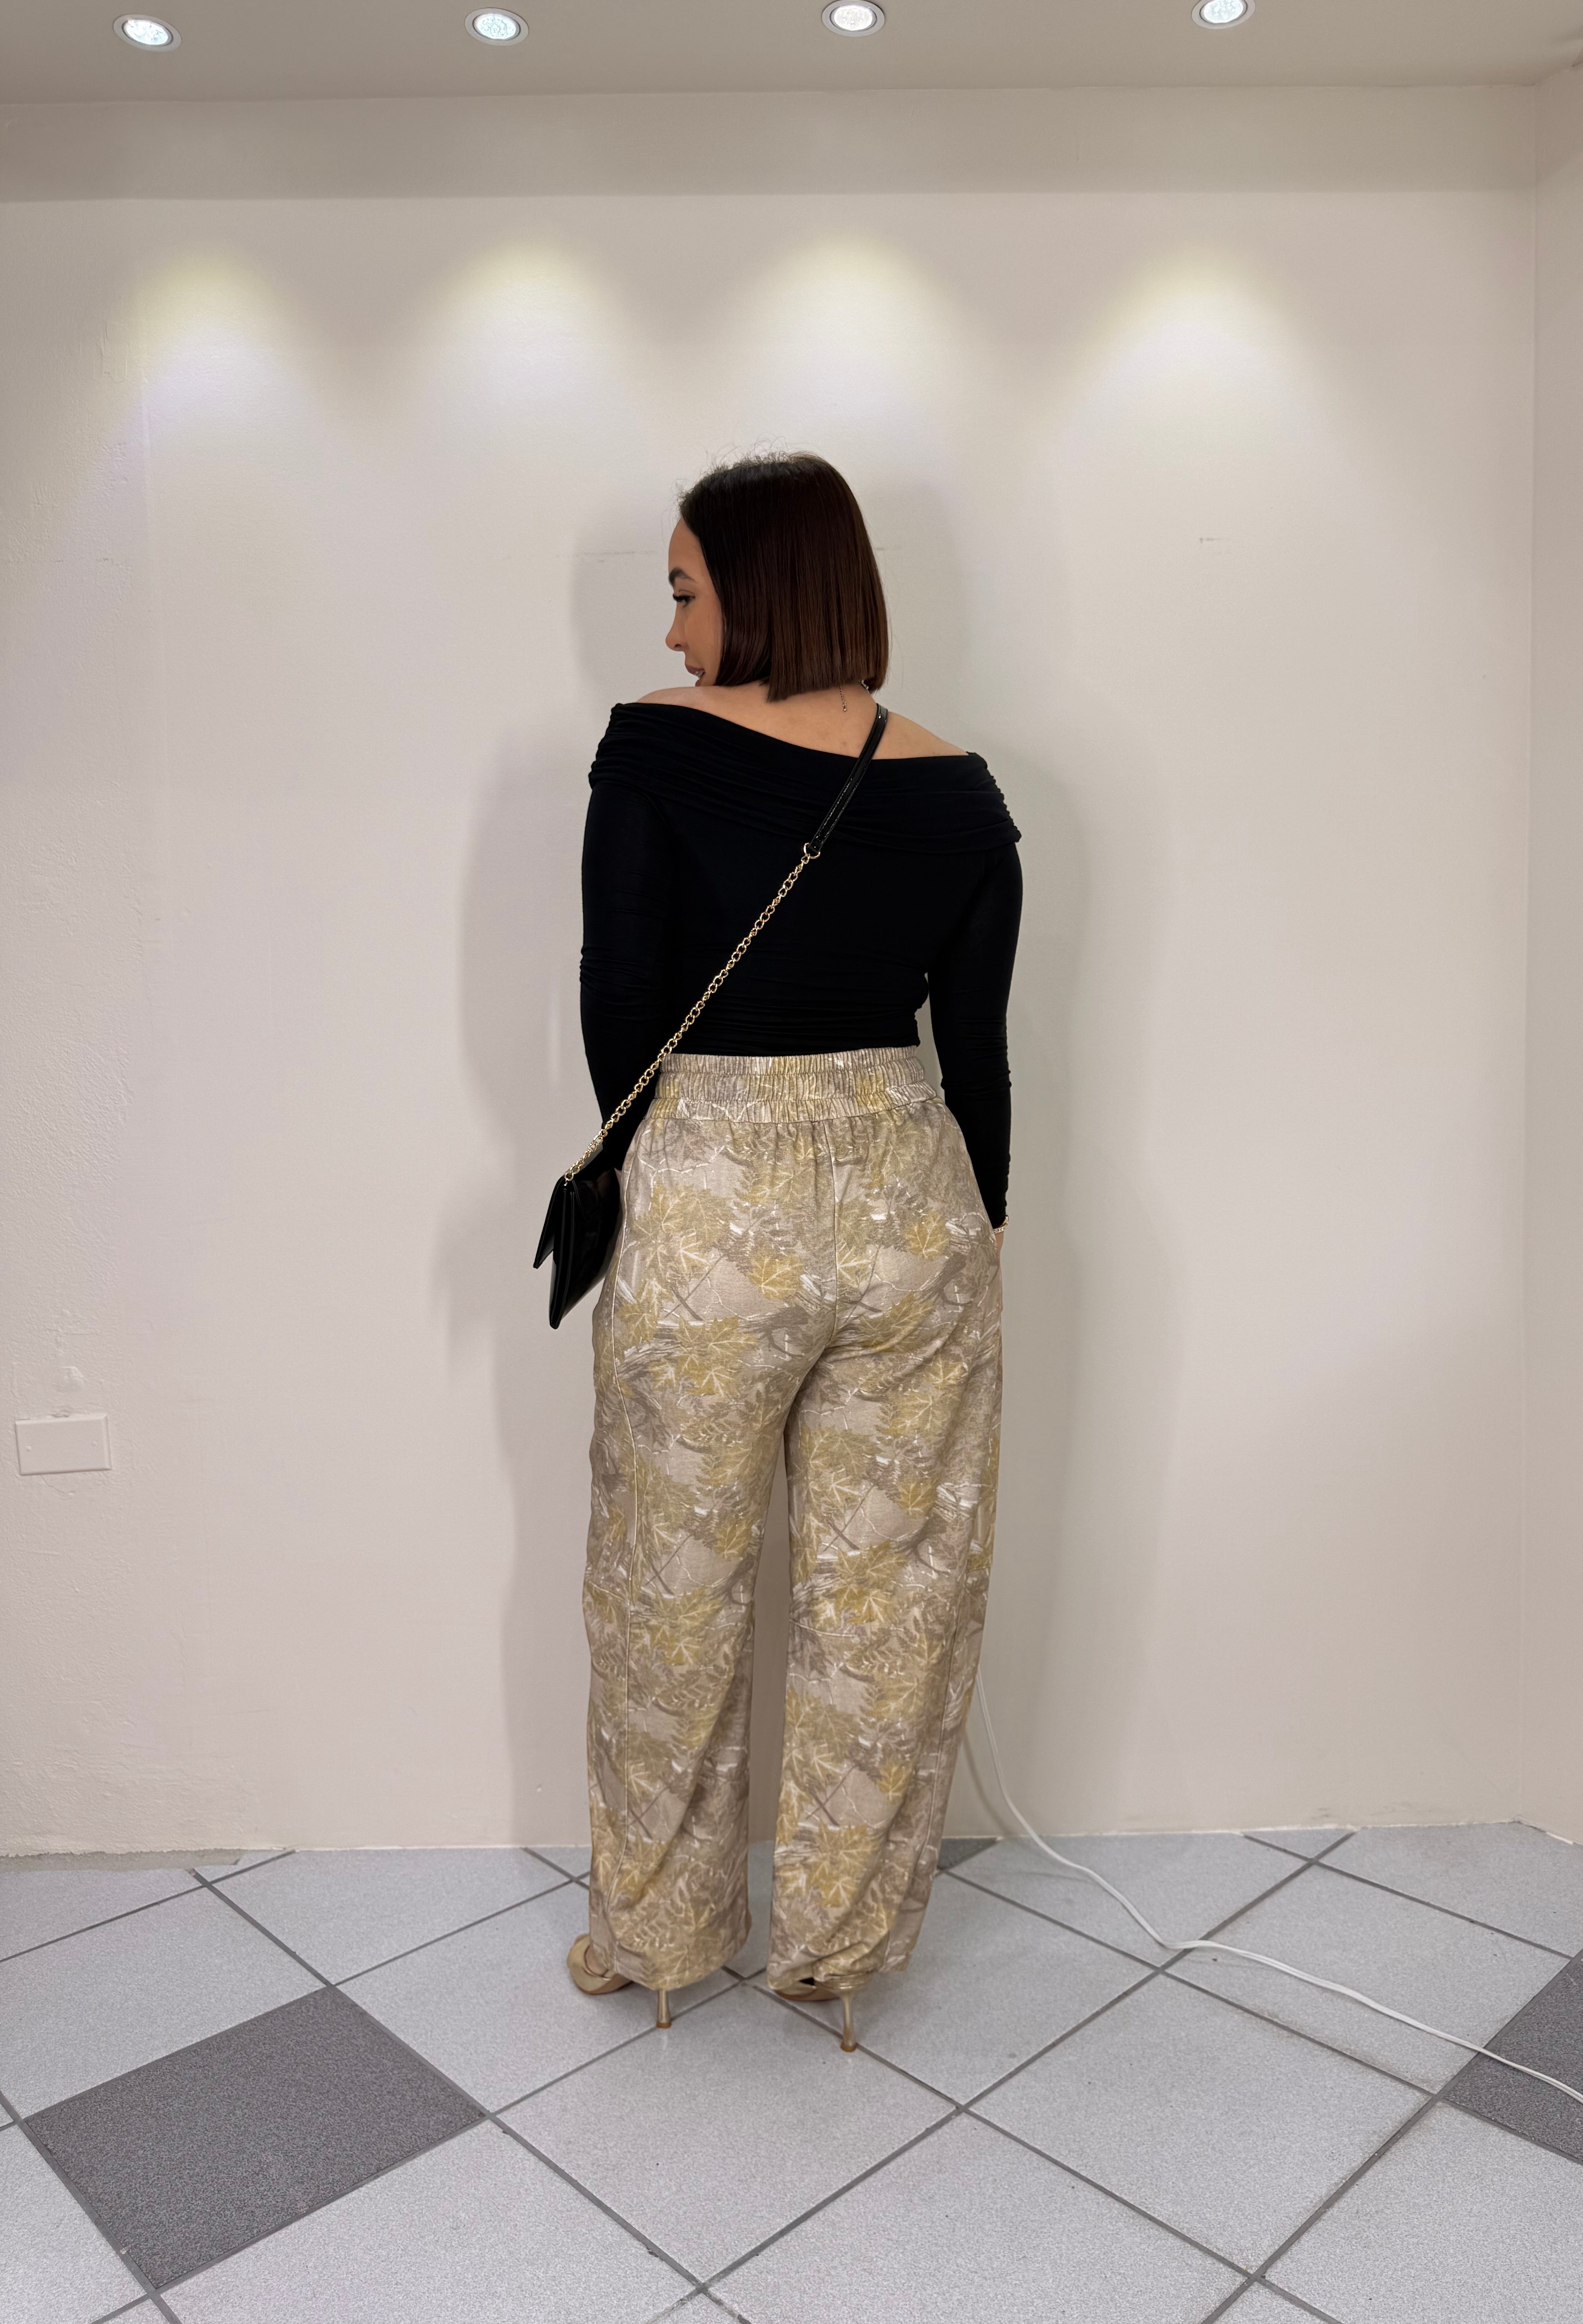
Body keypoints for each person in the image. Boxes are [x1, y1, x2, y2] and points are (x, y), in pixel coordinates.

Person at [564, 451, 1021, 2042]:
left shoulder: (656, 746)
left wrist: (644, 1167)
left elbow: (621, 993)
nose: (672, 628)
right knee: (888, 1597)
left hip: (713, 1203)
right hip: (917, 1203)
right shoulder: (961, 787)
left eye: (684, 589)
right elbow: (978, 1050)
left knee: (670, 1587)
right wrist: (979, 1227)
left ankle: (660, 1938)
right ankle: (839, 1950)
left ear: (758, 588)